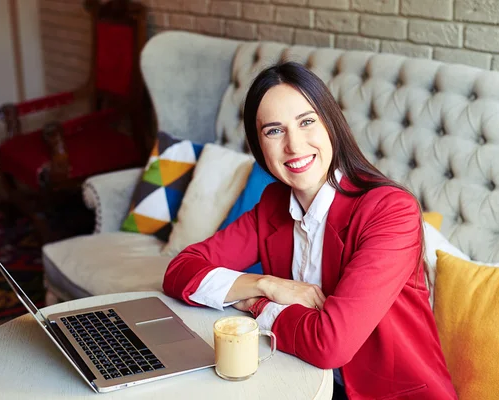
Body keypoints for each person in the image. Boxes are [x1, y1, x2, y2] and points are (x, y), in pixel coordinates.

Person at [162, 62, 456, 400]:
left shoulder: (390, 211)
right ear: (260, 147)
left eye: (306, 122)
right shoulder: (273, 205)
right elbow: (180, 271)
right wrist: (267, 284)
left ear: (330, 125)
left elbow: (330, 343)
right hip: (300, 383)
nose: (294, 145)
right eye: (274, 130)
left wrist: (259, 305)